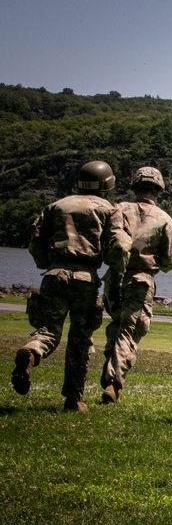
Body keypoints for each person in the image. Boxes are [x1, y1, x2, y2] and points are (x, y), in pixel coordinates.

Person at [11, 161, 132, 412]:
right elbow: (120, 246)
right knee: (80, 340)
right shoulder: (110, 210)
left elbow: (35, 241)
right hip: (85, 279)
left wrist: (48, 263)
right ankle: (73, 400)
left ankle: (31, 351)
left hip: (54, 275)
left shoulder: (56, 206)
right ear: (107, 185)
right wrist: (116, 271)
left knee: (48, 331)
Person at [99, 166, 172, 404]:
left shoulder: (118, 209)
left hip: (114, 278)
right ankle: (113, 383)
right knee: (130, 331)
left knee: (116, 326)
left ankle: (109, 372)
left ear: (135, 186)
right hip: (141, 280)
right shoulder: (164, 218)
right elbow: (169, 262)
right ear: (158, 189)